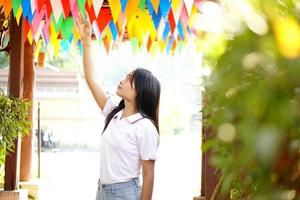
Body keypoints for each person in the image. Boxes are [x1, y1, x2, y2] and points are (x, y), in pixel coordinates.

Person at [75, 13, 161, 200]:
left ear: (141, 91)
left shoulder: (145, 126)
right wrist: (85, 40)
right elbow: (92, 79)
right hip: (102, 191)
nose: (123, 80)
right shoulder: (114, 111)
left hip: (125, 194)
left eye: (130, 79)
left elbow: (148, 175)